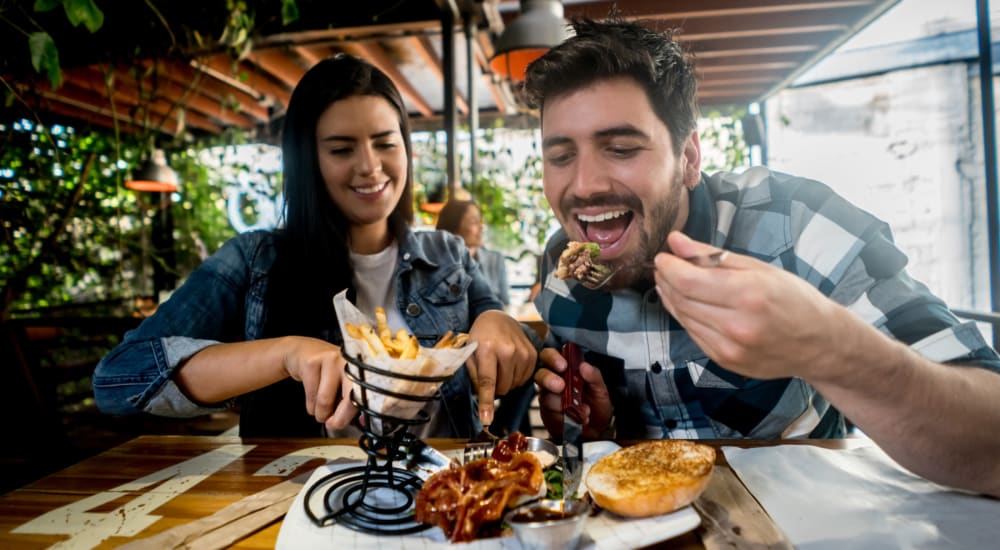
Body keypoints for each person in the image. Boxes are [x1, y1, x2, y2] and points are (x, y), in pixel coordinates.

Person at [525, 18, 1000, 497]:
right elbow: (581, 456)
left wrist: (827, 346)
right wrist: (595, 432)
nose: (584, 185)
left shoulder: (797, 226)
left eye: (622, 148)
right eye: (561, 156)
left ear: (689, 158)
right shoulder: (561, 274)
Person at [92, 55, 537, 438]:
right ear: (309, 161)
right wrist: (285, 354)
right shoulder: (255, 261)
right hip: (298, 507)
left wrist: (497, 318)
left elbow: (493, 324)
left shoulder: (448, 254)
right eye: (342, 149)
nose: (370, 166)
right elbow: (118, 379)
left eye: (385, 143)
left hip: (442, 507)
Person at [436, 199, 510, 306]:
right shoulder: (436, 264)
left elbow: (506, 305)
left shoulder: (495, 260)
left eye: (480, 221)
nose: (481, 226)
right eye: (474, 222)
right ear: (453, 227)